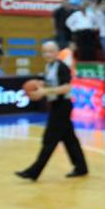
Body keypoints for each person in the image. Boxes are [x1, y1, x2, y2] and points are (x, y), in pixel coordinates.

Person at [15, 40, 89, 181]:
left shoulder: (62, 67)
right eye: (45, 52)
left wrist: (44, 91)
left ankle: (34, 171)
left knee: (49, 139)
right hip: (56, 105)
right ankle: (81, 167)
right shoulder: (49, 66)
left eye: (50, 51)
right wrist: (41, 84)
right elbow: (53, 84)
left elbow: (67, 87)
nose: (47, 54)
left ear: (57, 53)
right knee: (69, 139)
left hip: (63, 105)